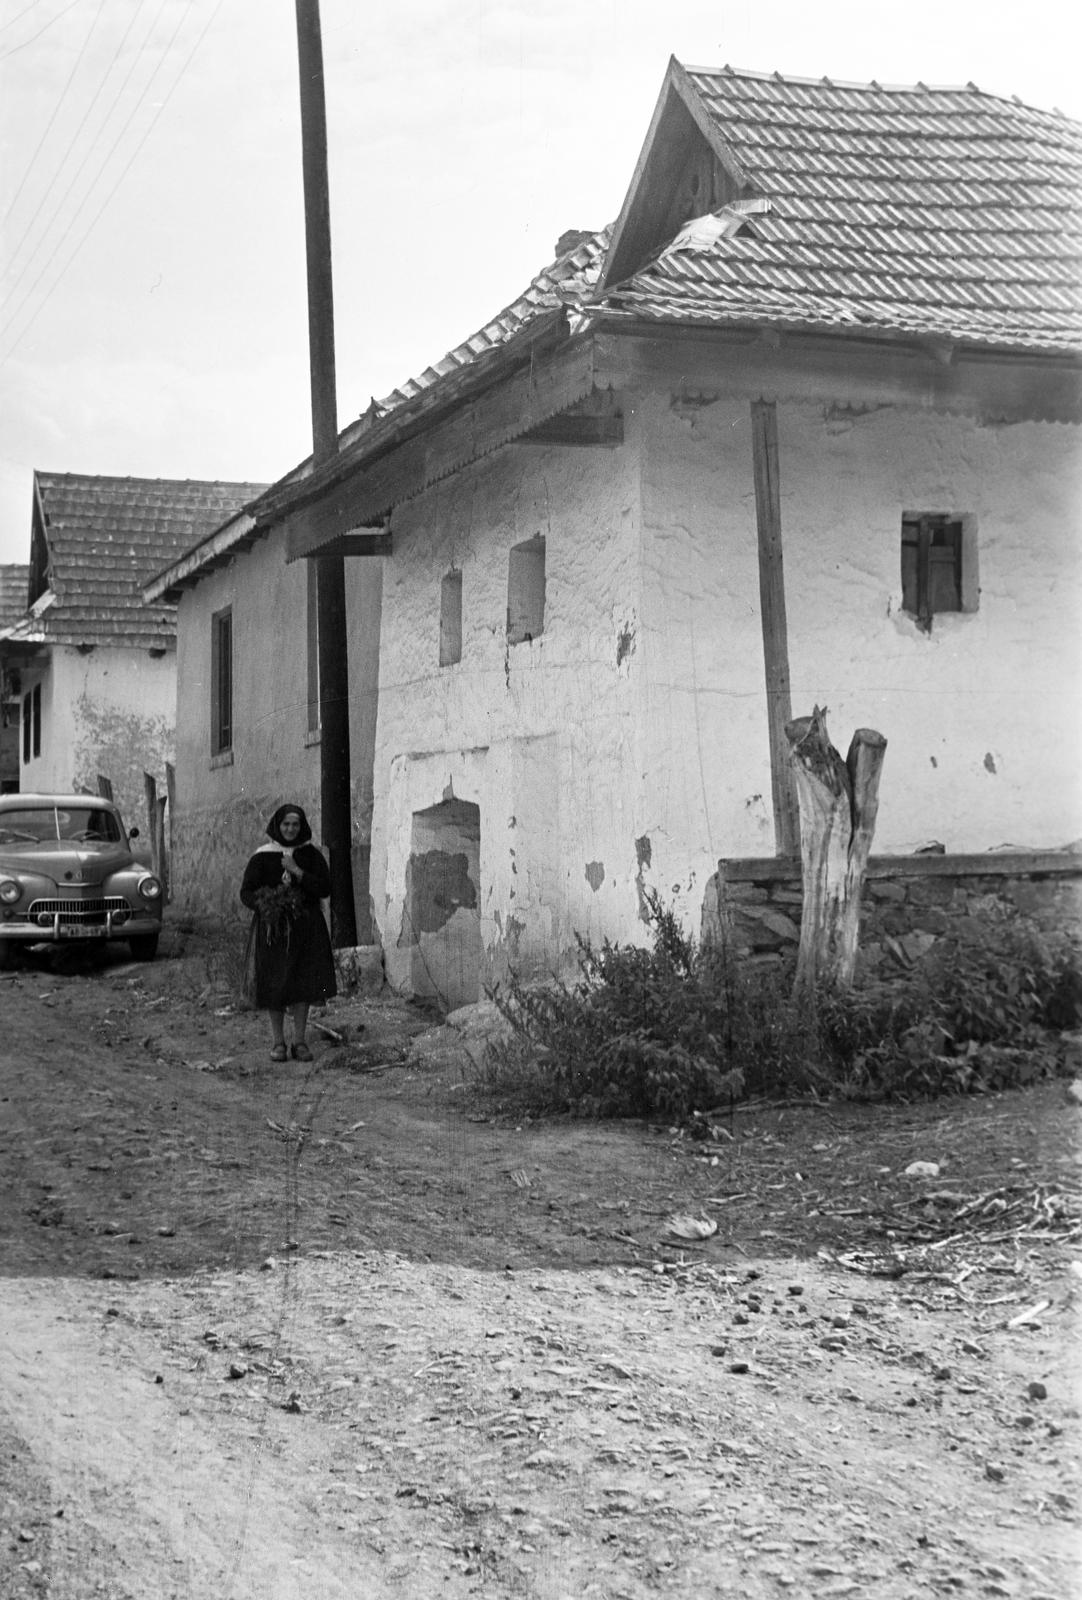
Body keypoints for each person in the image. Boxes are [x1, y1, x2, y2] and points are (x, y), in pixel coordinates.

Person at [240, 803, 337, 1061]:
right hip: (274, 931)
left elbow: (325, 888)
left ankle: (300, 1042)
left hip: (306, 929)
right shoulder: (262, 856)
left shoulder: (310, 855)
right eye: (286, 824)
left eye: (295, 824)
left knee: (303, 984)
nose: (291, 829)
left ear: (301, 826)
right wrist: (267, 905)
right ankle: (278, 1043)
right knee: (275, 983)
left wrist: (297, 871)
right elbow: (246, 892)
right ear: (277, 825)